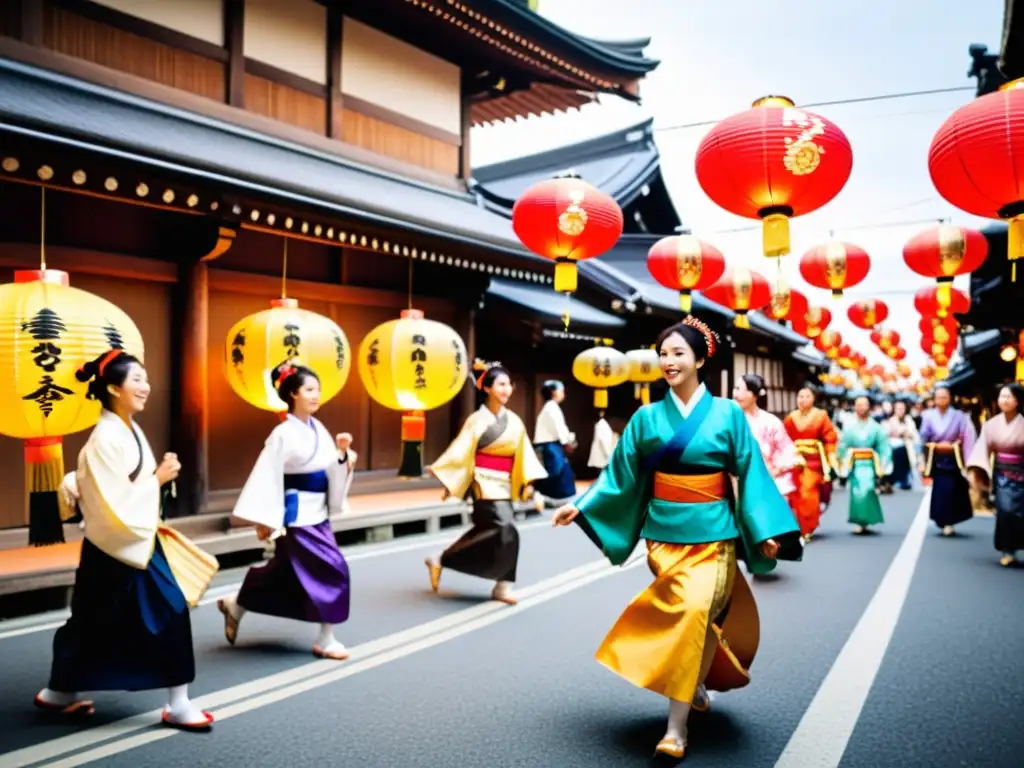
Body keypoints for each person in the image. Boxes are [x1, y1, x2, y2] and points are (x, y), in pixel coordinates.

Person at [551, 316, 801, 760]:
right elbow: (620, 474)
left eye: (677, 353)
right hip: (663, 536)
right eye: (662, 354)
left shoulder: (727, 414)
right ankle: (695, 680)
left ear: (701, 359)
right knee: (693, 620)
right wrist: (584, 505)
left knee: (694, 611)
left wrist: (763, 531)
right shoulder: (647, 417)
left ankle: (675, 727)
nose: (667, 361)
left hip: (715, 534)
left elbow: (751, 473)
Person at [36, 350, 213, 731]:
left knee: (94, 621)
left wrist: (160, 478)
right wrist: (159, 479)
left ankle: (60, 691)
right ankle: (177, 704)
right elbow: (114, 501)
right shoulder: (105, 438)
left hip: (129, 542)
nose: (145, 386)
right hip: (118, 545)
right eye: (137, 379)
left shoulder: (127, 429)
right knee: (166, 610)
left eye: (146, 378)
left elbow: (120, 490)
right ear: (114, 388)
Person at [218, 362, 356, 661]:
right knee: (332, 569)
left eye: (318, 389)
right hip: (295, 514)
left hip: (318, 510)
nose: (316, 395)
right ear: (293, 393)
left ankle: (236, 605)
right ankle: (326, 637)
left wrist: (342, 454)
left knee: (284, 573)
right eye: (309, 390)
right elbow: (267, 475)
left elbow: (330, 467)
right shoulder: (282, 433)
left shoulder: (318, 428)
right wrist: (266, 518)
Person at [425, 361, 547, 605]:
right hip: (482, 481)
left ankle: (441, 558)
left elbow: (522, 457)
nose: (506, 389)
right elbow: (461, 451)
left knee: (489, 532)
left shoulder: (514, 421)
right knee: (505, 528)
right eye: (500, 384)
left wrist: (529, 488)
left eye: (508, 384)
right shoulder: (476, 420)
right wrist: (446, 473)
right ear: (488, 388)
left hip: (504, 484)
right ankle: (502, 586)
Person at [967, 383, 1024, 566]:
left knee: (1020, 514)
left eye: (1008, 397)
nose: (1004, 400)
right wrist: (980, 470)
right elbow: (983, 447)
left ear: (1017, 401)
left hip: (1022, 473)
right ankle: (1008, 550)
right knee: (1006, 512)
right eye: (1002, 396)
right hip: (1002, 475)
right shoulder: (991, 425)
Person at [734, 373, 801, 515]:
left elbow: (787, 451)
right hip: (734, 480)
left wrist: (777, 469)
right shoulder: (728, 419)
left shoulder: (770, 422)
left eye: (741, 389)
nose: (736, 394)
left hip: (765, 479)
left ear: (755, 395)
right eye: (736, 388)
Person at [919, 384, 976, 536]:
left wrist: (959, 447)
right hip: (937, 456)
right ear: (934, 399)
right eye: (939, 397)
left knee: (952, 490)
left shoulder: (959, 416)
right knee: (940, 490)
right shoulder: (928, 416)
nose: (942, 400)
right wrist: (931, 446)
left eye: (945, 397)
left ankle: (950, 521)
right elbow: (924, 436)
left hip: (954, 457)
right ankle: (941, 519)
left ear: (949, 398)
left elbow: (967, 435)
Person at [784, 384, 839, 541]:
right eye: (800, 396)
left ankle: (808, 526)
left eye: (807, 396)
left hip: (813, 461)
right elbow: (784, 440)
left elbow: (830, 438)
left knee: (808, 493)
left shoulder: (821, 416)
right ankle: (799, 526)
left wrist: (831, 456)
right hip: (795, 460)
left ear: (813, 398)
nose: (803, 400)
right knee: (795, 494)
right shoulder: (790, 418)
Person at [837, 394, 892, 535]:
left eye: (864, 404)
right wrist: (841, 461)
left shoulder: (876, 427)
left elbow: (884, 446)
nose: (861, 407)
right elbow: (843, 445)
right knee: (856, 493)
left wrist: (883, 463)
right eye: (858, 404)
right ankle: (860, 521)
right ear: (854, 407)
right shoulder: (849, 427)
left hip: (870, 464)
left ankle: (867, 519)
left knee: (868, 490)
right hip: (855, 464)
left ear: (870, 407)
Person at [532, 379, 578, 508]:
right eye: (561, 390)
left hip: (549, 445)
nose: (563, 393)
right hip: (550, 446)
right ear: (553, 392)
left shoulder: (550, 407)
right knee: (555, 472)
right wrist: (567, 441)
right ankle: (543, 497)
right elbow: (560, 429)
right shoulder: (552, 408)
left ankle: (544, 497)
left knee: (552, 473)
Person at [883, 400, 919, 491]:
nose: (901, 411)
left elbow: (914, 435)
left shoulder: (909, 420)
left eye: (902, 408)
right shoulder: (890, 421)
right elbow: (886, 435)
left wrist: (905, 434)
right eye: (898, 409)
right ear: (894, 409)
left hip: (909, 449)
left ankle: (906, 481)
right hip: (895, 450)